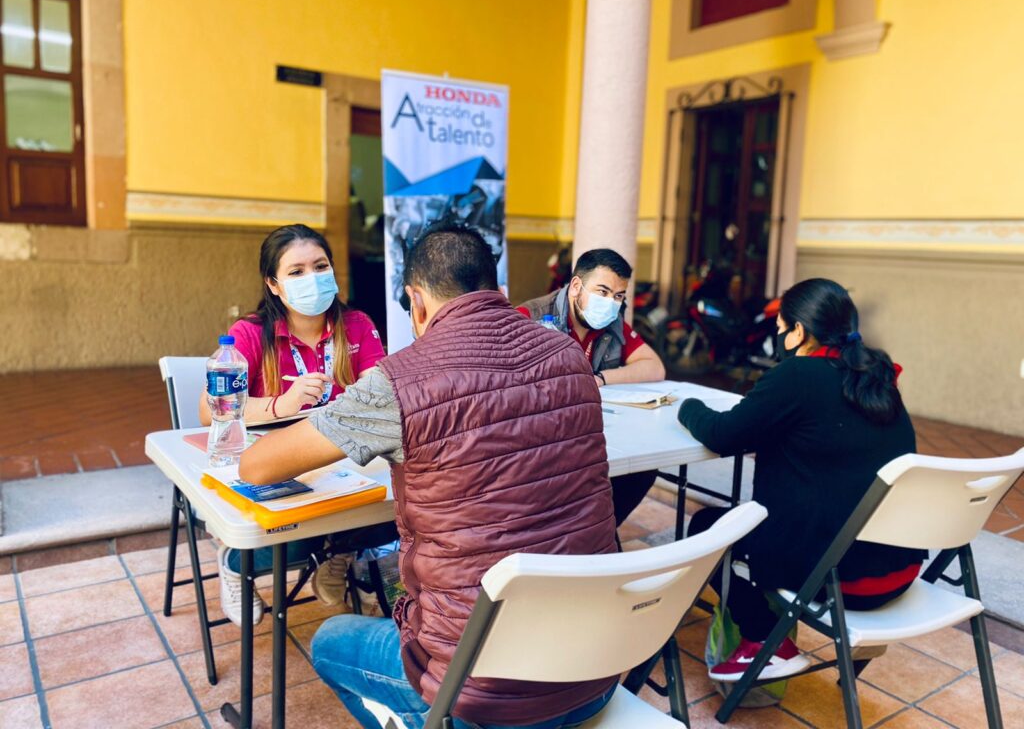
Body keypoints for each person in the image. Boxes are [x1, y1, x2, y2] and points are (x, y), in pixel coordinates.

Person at [238, 227, 619, 729]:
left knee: (330, 642)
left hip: (480, 690)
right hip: (594, 667)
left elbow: (256, 466)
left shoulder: (400, 380)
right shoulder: (570, 355)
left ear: (415, 302)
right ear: (499, 291)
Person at [677, 278, 927, 682]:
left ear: (799, 331)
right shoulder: (878, 376)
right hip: (898, 569)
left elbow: (722, 435)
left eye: (780, 328)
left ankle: (764, 641)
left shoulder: (797, 375)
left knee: (707, 527)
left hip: (840, 576)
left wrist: (687, 406)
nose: (778, 337)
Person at [199, 224, 389, 627]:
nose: (312, 278)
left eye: (320, 266)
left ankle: (339, 556)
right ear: (274, 284)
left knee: (394, 503)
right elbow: (208, 409)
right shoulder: (251, 333)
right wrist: (279, 405)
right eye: (297, 271)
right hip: (276, 458)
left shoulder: (356, 323)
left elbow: (379, 391)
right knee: (295, 524)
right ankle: (236, 564)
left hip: (338, 455)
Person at [517, 248, 666, 525]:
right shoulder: (530, 316)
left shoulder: (612, 324)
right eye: (602, 291)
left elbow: (654, 366)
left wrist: (600, 378)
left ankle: (600, 528)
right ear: (576, 286)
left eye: (618, 296)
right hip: (547, 440)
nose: (610, 303)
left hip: (598, 433)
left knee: (642, 471)